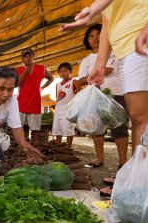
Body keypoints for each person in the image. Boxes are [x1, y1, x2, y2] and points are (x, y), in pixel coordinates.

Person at [61, 0, 148, 153]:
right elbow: (107, 27)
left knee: (139, 116)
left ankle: (139, 169)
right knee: (137, 116)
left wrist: (91, 11)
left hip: (141, 43)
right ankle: (138, 169)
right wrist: (99, 65)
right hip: (125, 51)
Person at [77, 24, 129, 175]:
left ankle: (122, 161)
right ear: (87, 40)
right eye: (91, 36)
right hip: (95, 97)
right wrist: (97, 72)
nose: (95, 38)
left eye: (99, 33)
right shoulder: (87, 60)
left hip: (116, 94)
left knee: (119, 126)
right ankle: (99, 158)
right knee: (96, 128)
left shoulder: (117, 53)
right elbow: (79, 81)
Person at [16, 48, 54, 143]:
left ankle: (36, 146)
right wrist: (25, 73)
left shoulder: (41, 68)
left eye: (30, 55)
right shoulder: (19, 70)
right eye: (25, 56)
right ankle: (23, 146)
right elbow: (15, 84)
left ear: (34, 56)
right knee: (20, 127)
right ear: (22, 59)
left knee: (35, 128)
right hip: (21, 102)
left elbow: (51, 78)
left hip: (35, 102)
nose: (28, 58)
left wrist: (43, 87)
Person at [52, 62, 78, 148]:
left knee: (68, 130)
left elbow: (81, 94)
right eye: (61, 71)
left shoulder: (74, 81)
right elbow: (58, 98)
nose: (63, 73)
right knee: (57, 130)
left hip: (69, 109)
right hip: (58, 110)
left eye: (65, 71)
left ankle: (68, 148)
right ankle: (58, 147)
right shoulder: (57, 85)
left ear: (70, 71)